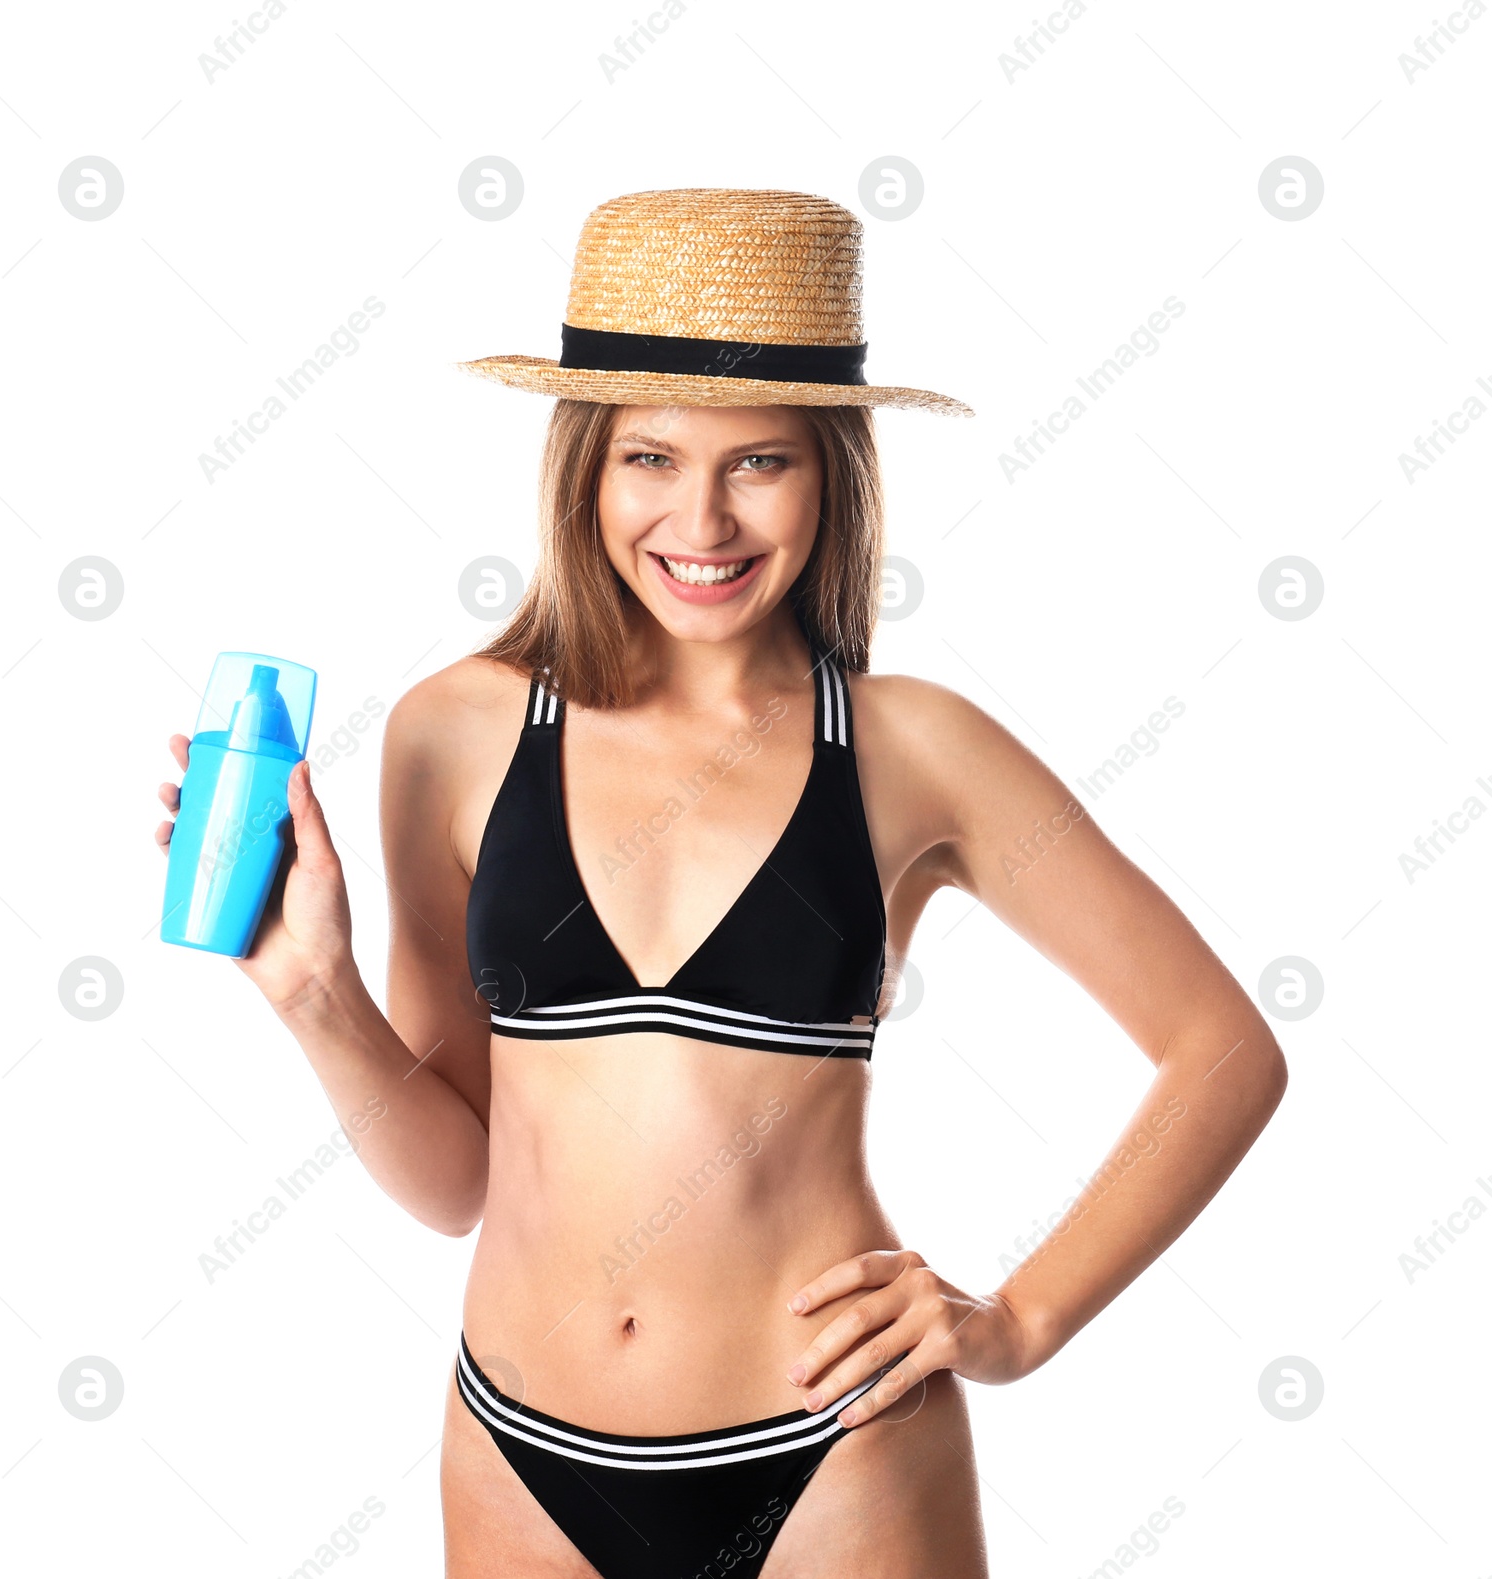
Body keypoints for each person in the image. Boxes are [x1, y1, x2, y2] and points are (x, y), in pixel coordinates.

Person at [156, 189, 1288, 1578]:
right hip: (519, 1456)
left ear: (835, 475)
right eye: (649, 457)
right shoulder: (453, 733)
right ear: (586, 469)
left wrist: (1016, 1321)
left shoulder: (915, 750)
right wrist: (314, 995)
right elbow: (460, 1183)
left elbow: (1223, 1051)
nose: (701, 518)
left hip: (838, 1455)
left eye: (760, 462)